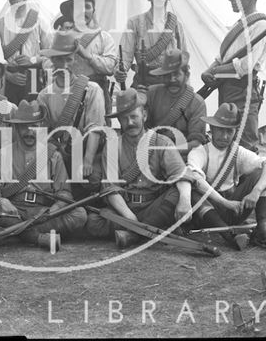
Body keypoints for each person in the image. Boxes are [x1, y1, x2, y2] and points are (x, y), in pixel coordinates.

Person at [84, 88, 195, 248]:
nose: (129, 123)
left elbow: (180, 175)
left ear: (144, 115)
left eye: (134, 116)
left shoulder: (161, 142)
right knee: (94, 222)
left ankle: (135, 234)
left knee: (180, 191)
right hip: (126, 210)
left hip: (154, 207)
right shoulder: (113, 146)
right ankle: (152, 229)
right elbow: (110, 189)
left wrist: (185, 202)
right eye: (124, 119)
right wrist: (132, 221)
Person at [0, 100, 87, 250]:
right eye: (24, 127)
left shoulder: (53, 156)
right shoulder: (2, 155)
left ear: (40, 127)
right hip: (13, 210)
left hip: (43, 212)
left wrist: (52, 211)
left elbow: (64, 193)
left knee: (79, 214)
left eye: (33, 126)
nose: (29, 132)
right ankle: (36, 236)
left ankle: (15, 234)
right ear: (16, 127)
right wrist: (2, 201)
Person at [182, 102, 266, 249]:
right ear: (213, 129)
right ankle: (230, 237)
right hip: (209, 213)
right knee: (193, 190)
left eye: (230, 131)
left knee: (262, 174)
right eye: (221, 130)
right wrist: (224, 202)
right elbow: (195, 178)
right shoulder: (200, 152)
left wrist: (256, 191)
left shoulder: (237, 152)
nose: (225, 136)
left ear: (235, 132)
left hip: (235, 209)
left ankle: (262, 228)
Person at [201, 0, 266, 152]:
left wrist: (215, 72)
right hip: (227, 87)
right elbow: (223, 57)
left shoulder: (260, 26)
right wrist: (209, 70)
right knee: (227, 137)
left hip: (243, 89)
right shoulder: (238, 24)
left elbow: (245, 66)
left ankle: (249, 180)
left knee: (245, 142)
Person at [36, 30, 107, 199]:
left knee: (91, 180)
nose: (65, 64)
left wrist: (88, 160)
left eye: (69, 59)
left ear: (75, 60)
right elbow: (43, 135)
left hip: (86, 150)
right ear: (53, 61)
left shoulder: (92, 89)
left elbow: (95, 129)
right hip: (61, 152)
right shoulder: (45, 95)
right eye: (60, 59)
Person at [115, 0, 187, 89]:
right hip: (144, 83)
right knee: (132, 106)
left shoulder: (177, 26)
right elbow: (125, 55)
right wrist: (119, 71)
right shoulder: (134, 23)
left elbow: (183, 61)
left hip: (170, 84)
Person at [0, 0, 52, 104]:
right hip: (7, 80)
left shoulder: (40, 22)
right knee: (7, 116)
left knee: (32, 115)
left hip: (33, 78)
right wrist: (7, 75)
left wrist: (32, 60)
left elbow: (51, 54)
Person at [57, 0, 117, 117]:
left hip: (98, 92)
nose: (83, 11)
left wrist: (87, 55)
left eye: (88, 7)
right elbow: (48, 63)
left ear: (93, 10)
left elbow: (110, 66)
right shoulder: (62, 37)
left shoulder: (104, 37)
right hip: (68, 91)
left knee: (98, 132)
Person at [144, 48, 207, 158]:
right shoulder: (151, 93)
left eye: (177, 74)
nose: (172, 79)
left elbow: (196, 143)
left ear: (186, 76)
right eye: (168, 75)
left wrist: (168, 151)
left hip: (182, 157)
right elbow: (142, 128)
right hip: (152, 154)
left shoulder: (197, 103)